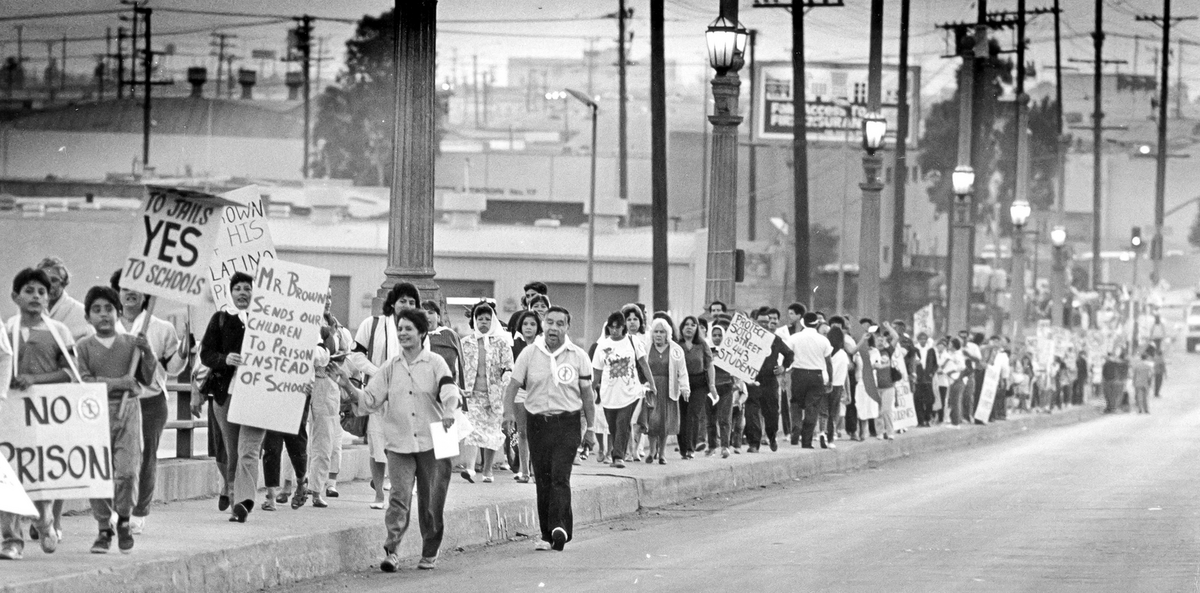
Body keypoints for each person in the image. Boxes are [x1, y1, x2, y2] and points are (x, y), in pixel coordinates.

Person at [335, 308, 460, 572]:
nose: (403, 333)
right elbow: (370, 400)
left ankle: (429, 551)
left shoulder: (436, 362)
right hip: (399, 443)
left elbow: (450, 389)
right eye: (400, 329)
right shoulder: (389, 368)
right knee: (399, 499)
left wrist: (449, 410)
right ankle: (392, 550)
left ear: (422, 333)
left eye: (408, 329)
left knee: (431, 502)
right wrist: (347, 384)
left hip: (435, 441)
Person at [502, 306, 596, 552]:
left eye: (560, 323)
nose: (554, 328)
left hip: (568, 423)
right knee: (542, 479)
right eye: (550, 322)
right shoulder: (530, 354)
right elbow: (512, 387)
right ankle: (547, 534)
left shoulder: (578, 356)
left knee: (560, 476)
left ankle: (560, 528)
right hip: (537, 423)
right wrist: (508, 413)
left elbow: (587, 395)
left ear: (567, 327)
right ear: (543, 324)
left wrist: (591, 429)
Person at [75, 286, 159, 554]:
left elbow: (146, 377)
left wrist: (148, 354)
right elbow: (83, 381)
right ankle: (103, 528)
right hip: (95, 413)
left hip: (129, 412)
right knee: (97, 472)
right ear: (88, 317)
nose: (103, 315)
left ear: (119, 312)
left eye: (109, 309)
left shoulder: (131, 344)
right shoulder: (83, 347)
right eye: (96, 310)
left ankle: (123, 519)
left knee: (127, 470)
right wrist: (115, 383)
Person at [3, 268, 79, 558]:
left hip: (46, 418)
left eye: (41, 292)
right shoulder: (5, 330)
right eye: (29, 291)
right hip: (11, 418)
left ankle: (45, 519)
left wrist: (35, 380)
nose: (36, 296)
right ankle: (11, 540)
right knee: (8, 476)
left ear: (49, 298)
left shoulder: (59, 332)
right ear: (15, 296)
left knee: (43, 474)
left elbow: (71, 374)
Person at [108, 270, 188, 534]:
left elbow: (173, 368)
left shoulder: (161, 328)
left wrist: (186, 349)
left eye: (136, 288)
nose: (130, 292)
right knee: (116, 459)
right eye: (124, 287)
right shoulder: (107, 324)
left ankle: (139, 511)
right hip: (115, 401)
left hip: (150, 402)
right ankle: (118, 509)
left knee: (144, 458)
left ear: (146, 294)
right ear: (116, 292)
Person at [351, 282, 421, 509]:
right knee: (376, 442)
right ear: (392, 302)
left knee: (401, 444)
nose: (407, 305)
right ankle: (379, 495)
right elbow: (356, 356)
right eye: (403, 301)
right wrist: (378, 372)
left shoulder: (419, 331)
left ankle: (400, 493)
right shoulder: (372, 325)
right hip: (377, 394)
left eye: (412, 302)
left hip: (406, 396)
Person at [200, 272, 263, 523]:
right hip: (226, 393)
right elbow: (206, 353)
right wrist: (224, 360)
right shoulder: (221, 319)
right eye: (237, 288)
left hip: (257, 395)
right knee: (231, 448)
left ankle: (242, 501)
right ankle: (230, 487)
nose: (243, 292)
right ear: (230, 292)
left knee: (249, 449)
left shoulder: (265, 321)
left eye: (247, 288)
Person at [459, 301, 513, 483]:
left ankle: (488, 470)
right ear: (474, 321)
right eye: (480, 319)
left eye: (487, 319)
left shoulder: (502, 342)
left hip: (494, 396)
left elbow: (509, 367)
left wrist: (505, 382)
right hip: (471, 393)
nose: (483, 322)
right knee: (471, 430)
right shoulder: (465, 342)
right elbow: (459, 367)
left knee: (492, 433)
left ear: (493, 321)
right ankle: (470, 468)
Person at [591, 311, 654, 468]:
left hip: (629, 392)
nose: (614, 330)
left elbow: (643, 363)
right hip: (608, 394)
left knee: (622, 423)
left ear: (623, 327)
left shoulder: (632, 341)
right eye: (611, 327)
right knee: (613, 425)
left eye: (617, 327)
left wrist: (652, 383)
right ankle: (616, 452)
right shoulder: (602, 346)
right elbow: (597, 371)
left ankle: (618, 456)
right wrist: (591, 389)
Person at [744, 311, 794, 452]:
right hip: (752, 380)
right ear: (754, 322)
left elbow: (789, 354)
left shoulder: (775, 339)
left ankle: (772, 437)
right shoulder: (747, 338)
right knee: (751, 412)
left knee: (771, 412)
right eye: (761, 322)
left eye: (767, 322)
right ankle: (754, 444)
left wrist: (783, 367)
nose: (764, 324)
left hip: (770, 381)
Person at [642, 317, 687, 463]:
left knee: (664, 422)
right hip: (651, 388)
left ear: (667, 333)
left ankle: (662, 453)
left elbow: (682, 371)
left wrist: (685, 388)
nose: (658, 335)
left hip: (668, 388)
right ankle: (652, 450)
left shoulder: (676, 350)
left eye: (662, 332)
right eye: (656, 331)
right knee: (652, 421)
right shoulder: (646, 348)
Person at [786, 312, 833, 448]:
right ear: (817, 324)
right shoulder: (823, 340)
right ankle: (806, 441)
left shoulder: (794, 338)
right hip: (816, 376)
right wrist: (830, 380)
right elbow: (829, 362)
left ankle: (796, 426)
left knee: (795, 403)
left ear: (802, 323)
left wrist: (786, 370)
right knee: (812, 408)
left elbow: (787, 355)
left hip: (798, 374)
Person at [509, 310, 541, 482]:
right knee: (522, 432)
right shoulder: (514, 345)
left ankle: (537, 471)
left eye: (533, 324)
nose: (529, 327)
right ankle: (524, 471)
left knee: (537, 433)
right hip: (519, 392)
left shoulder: (543, 345)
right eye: (526, 324)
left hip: (538, 393)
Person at [622, 304, 652, 460]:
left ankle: (637, 448)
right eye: (629, 319)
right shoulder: (620, 339)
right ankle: (628, 450)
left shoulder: (646, 338)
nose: (632, 322)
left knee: (639, 419)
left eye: (635, 319)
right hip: (625, 382)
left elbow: (647, 362)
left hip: (641, 382)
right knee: (627, 418)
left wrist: (649, 381)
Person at [36, 257, 91, 341]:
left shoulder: (81, 312)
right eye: (43, 280)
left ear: (64, 283)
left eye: (54, 280)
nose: (48, 285)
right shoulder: (30, 310)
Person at [852, 332, 881, 440]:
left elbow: (878, 364)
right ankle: (862, 431)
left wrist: (875, 366)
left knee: (871, 406)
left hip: (871, 382)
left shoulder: (875, 351)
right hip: (860, 381)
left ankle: (874, 430)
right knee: (860, 405)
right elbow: (854, 365)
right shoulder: (857, 352)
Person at [912, 332, 937, 427]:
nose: (923, 340)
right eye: (921, 339)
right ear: (918, 340)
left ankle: (928, 418)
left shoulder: (931, 350)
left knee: (929, 399)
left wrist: (931, 373)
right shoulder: (914, 349)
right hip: (918, 378)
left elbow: (935, 364)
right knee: (918, 399)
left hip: (928, 378)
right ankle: (920, 420)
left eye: (924, 339)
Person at [1131, 349, 1154, 414]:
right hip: (1145, 383)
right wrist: (1150, 383)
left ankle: (1140, 409)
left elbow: (1134, 375)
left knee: (1139, 396)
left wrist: (1133, 382)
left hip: (1138, 382)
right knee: (1145, 397)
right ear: (1146, 358)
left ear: (1141, 358)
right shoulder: (1148, 366)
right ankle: (1146, 409)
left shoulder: (1137, 366)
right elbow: (1151, 375)